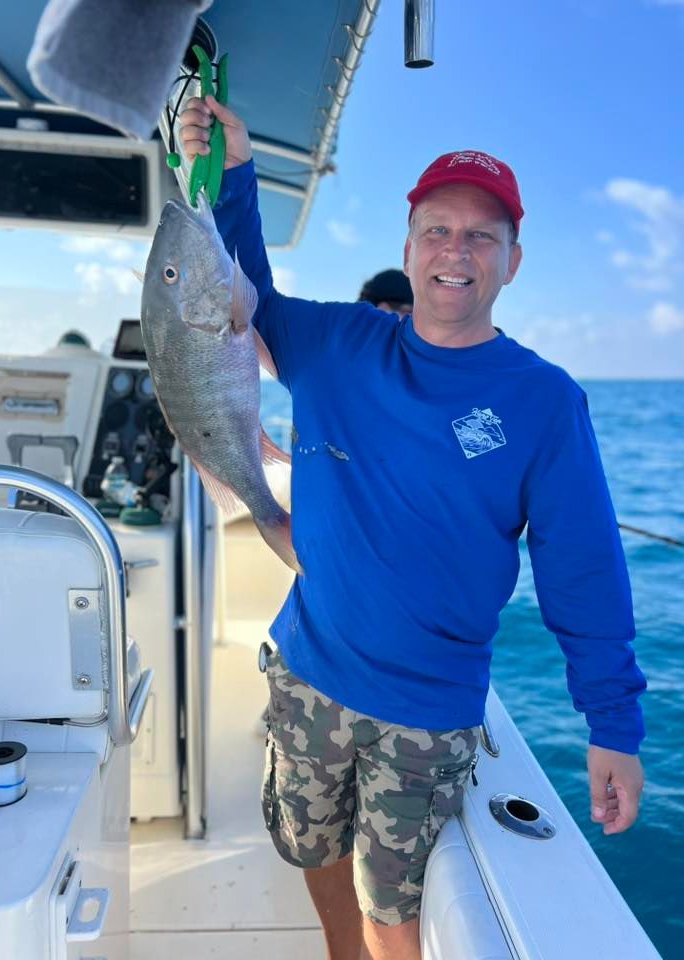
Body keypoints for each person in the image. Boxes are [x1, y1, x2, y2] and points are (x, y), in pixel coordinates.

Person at [180, 97, 647, 960]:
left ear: (512, 261)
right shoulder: (340, 341)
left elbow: (582, 566)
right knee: (311, 849)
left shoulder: (545, 402)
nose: (456, 251)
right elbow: (232, 296)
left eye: (481, 236)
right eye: (438, 230)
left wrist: (611, 723)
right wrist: (236, 171)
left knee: (393, 907)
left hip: (427, 710)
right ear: (408, 248)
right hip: (309, 670)